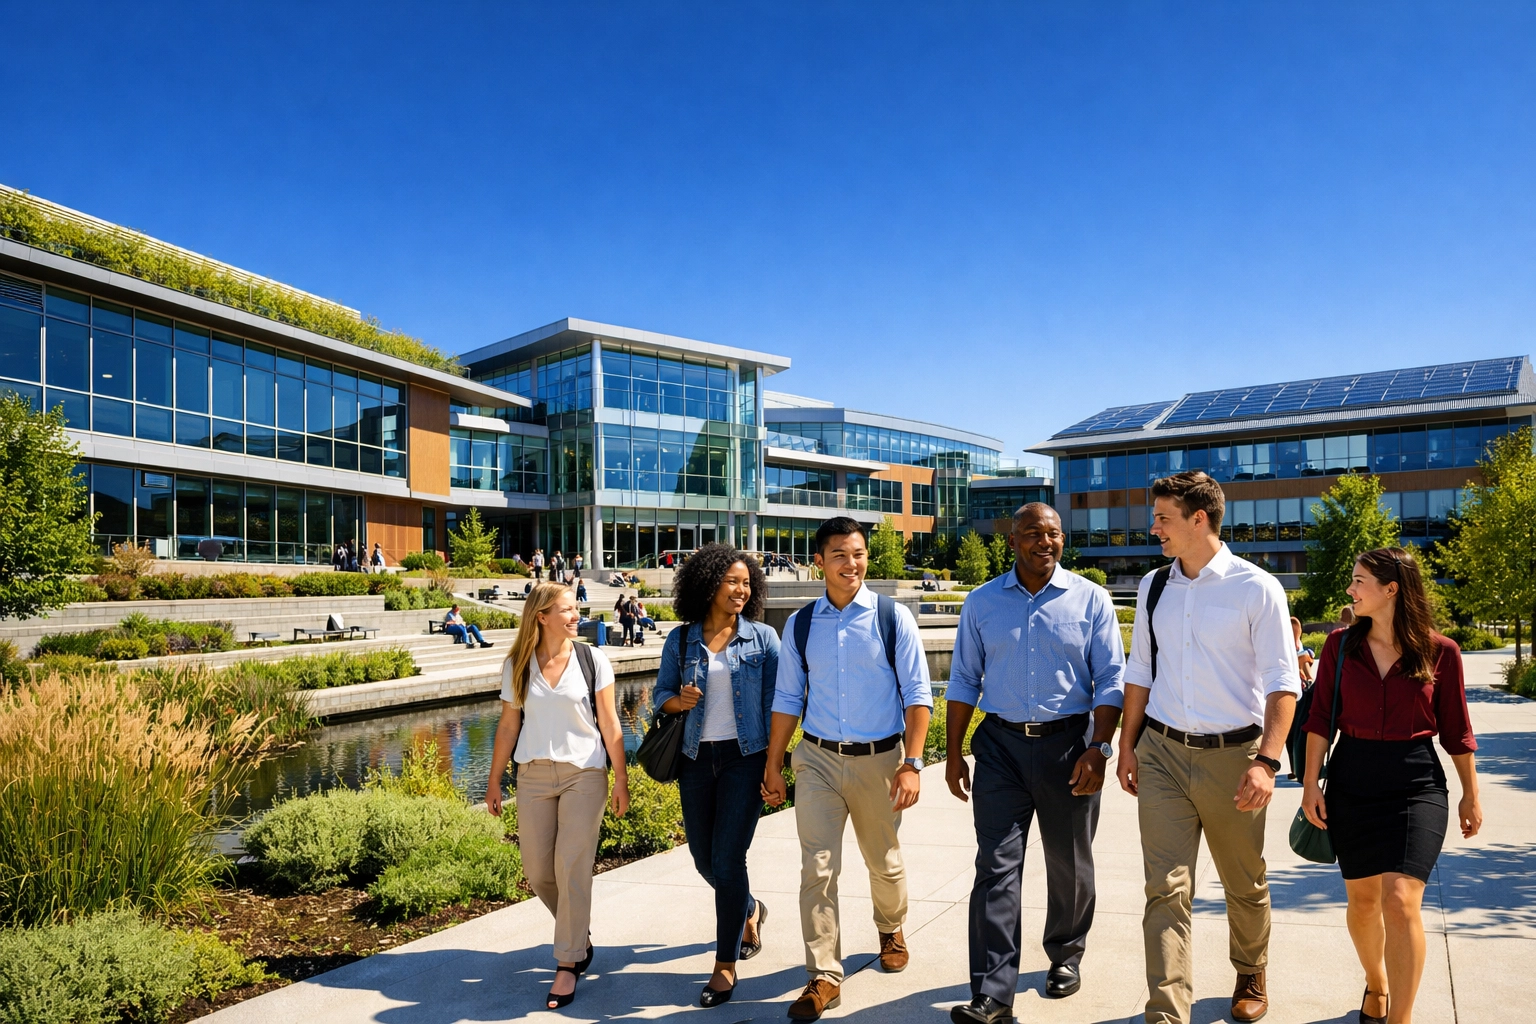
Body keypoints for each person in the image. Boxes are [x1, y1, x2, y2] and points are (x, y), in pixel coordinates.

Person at [1116, 471, 1301, 1024]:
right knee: (1165, 890)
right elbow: (1140, 672)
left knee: (1244, 881)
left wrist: (1267, 762)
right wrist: (1127, 747)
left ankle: (1250, 969)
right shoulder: (1153, 587)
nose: (1155, 529)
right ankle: (1167, 1010)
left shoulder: (1256, 587)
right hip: (1164, 754)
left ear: (1200, 520)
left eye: (1164, 518)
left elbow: (1281, 682)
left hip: (1235, 757)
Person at [944, 503, 1126, 1024]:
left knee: (1068, 864)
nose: (1043, 542)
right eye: (1031, 533)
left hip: (1070, 747)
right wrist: (954, 752)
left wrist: (1101, 746)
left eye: (1052, 534)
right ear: (1012, 541)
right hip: (999, 747)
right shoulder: (981, 603)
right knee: (995, 868)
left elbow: (1111, 680)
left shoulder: (1090, 599)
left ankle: (1065, 954)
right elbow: (962, 681)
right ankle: (993, 993)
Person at [1300, 547, 1481, 1024]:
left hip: (1415, 781)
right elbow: (1320, 717)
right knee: (1362, 902)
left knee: (1400, 900)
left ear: (1391, 589)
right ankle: (1376, 984)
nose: (1350, 589)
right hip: (1351, 778)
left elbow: (1457, 731)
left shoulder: (1441, 651)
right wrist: (1310, 783)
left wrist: (1471, 794)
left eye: (1359, 581)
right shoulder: (1341, 645)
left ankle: (1399, 1018)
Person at [763, 517, 933, 1022]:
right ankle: (824, 974)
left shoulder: (892, 617)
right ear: (819, 561)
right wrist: (775, 763)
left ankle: (890, 926)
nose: (851, 563)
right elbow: (789, 697)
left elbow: (918, 694)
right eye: (839, 554)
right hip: (815, 759)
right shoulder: (800, 623)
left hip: (880, 759)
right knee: (817, 867)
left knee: (884, 862)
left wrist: (912, 763)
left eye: (858, 553)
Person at [486, 582, 628, 1011]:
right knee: (537, 871)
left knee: (571, 864)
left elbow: (610, 722)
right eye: (565, 610)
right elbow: (509, 726)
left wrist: (621, 778)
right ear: (542, 616)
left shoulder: (592, 659)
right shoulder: (517, 663)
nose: (575, 616)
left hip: (584, 773)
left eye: (575, 609)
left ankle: (567, 962)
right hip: (532, 777)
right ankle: (577, 932)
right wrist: (494, 780)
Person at [652, 543, 781, 1008]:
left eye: (747, 582)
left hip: (745, 758)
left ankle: (725, 964)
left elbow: (778, 707)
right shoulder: (681, 640)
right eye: (732, 581)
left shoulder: (764, 639)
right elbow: (659, 696)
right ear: (708, 584)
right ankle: (749, 909)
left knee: (728, 862)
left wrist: (774, 766)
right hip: (694, 758)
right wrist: (677, 702)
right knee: (704, 861)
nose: (741, 590)